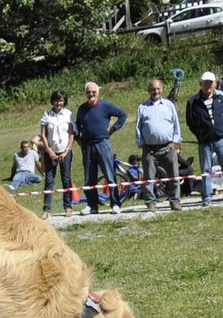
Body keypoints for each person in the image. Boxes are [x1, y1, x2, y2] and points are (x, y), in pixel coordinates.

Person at [185, 71, 223, 207]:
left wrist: (220, 128)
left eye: (210, 82)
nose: (208, 85)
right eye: (205, 82)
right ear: (201, 83)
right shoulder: (193, 101)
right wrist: (199, 135)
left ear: (215, 83)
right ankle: (207, 196)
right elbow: (190, 121)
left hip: (221, 138)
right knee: (206, 170)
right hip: (204, 141)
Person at [76, 81, 128, 214]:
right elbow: (77, 125)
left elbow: (123, 115)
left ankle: (115, 204)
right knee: (89, 178)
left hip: (102, 144)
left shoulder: (105, 105)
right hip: (87, 147)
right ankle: (92, 206)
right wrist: (78, 139)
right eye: (88, 92)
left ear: (98, 92)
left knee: (109, 174)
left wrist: (113, 129)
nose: (91, 94)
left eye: (93, 91)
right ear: (85, 93)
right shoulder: (81, 109)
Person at [135, 76, 183, 212]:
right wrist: (142, 145)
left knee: (174, 176)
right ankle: (150, 203)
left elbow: (176, 125)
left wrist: (175, 142)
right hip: (150, 150)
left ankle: (175, 202)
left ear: (162, 90)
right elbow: (138, 128)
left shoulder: (169, 105)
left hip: (168, 148)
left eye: (158, 89)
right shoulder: (142, 107)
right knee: (149, 178)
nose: (155, 91)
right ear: (148, 91)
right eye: (153, 89)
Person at [39, 89, 77, 217]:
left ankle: (68, 207)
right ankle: (47, 210)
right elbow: (43, 135)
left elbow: (71, 135)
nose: (58, 103)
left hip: (65, 152)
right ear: (53, 101)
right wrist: (49, 151)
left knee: (66, 179)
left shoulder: (68, 114)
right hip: (51, 153)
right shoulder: (47, 115)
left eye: (61, 100)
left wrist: (66, 151)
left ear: (64, 101)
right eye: (56, 100)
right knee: (49, 180)